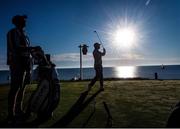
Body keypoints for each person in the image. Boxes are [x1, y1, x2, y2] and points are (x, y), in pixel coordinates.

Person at [6, 15, 32, 123]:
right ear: (17, 22)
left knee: (23, 86)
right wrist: (32, 48)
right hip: (16, 62)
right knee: (15, 87)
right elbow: (15, 47)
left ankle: (19, 109)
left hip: (25, 62)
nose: (25, 21)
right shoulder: (12, 32)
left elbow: (26, 49)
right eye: (22, 20)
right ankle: (11, 113)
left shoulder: (25, 35)